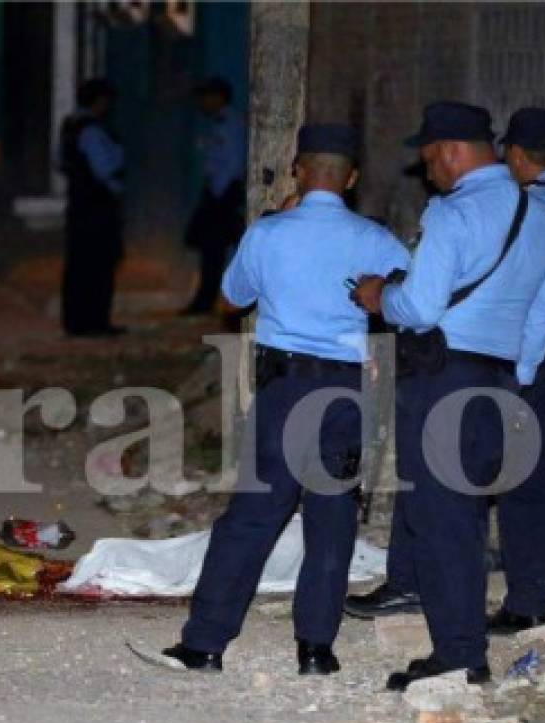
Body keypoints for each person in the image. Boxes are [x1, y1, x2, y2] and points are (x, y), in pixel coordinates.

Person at [161, 125, 410, 675]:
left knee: (252, 516)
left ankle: (205, 644)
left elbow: (231, 298)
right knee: (332, 517)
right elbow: (409, 296)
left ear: (298, 169)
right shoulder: (374, 238)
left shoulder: (268, 234)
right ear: (352, 178)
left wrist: (279, 220)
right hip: (345, 390)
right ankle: (316, 650)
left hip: (285, 388)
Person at [351, 102, 545, 689]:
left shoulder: (451, 212)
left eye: (429, 161)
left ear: (451, 152)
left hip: (444, 382)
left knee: (446, 523)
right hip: (502, 381)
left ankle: (459, 655)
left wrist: (375, 297)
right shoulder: (539, 211)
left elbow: (418, 307)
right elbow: (542, 312)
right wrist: (519, 376)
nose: (429, 173)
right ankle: (462, 647)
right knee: (465, 517)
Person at [494, 107, 545, 634]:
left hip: (543, 356)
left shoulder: (532, 209)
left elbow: (542, 302)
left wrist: (524, 371)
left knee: (527, 478)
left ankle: (528, 598)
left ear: (515, 156)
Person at [59, 78, 127, 338]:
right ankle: (95, 321)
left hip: (78, 204)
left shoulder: (70, 126)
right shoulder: (93, 131)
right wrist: (116, 189)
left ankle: (75, 321)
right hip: (97, 206)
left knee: (78, 263)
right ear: (100, 101)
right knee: (99, 264)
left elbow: (61, 162)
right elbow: (104, 169)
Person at [182, 77, 246, 316]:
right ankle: (206, 298)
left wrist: (218, 195)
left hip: (224, 194)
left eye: (205, 97)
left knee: (216, 249)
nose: (202, 103)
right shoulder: (219, 123)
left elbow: (232, 163)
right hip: (218, 192)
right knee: (212, 249)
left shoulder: (230, 124)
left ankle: (209, 299)